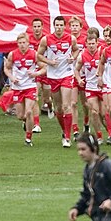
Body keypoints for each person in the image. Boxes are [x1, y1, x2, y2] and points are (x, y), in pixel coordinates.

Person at [37, 15, 78, 147]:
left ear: (64, 26)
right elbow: (38, 55)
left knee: (67, 105)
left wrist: (73, 58)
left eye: (61, 25)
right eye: (57, 25)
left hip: (67, 74)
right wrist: (49, 62)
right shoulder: (46, 39)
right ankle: (64, 130)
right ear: (54, 26)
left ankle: (67, 137)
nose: (59, 28)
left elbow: (76, 50)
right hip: (53, 76)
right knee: (59, 108)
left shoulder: (71, 38)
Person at [4, 32, 44, 146]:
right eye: (20, 43)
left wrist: (36, 73)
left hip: (30, 87)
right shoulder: (12, 55)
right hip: (17, 88)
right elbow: (7, 69)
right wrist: (11, 77)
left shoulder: (34, 54)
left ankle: (28, 138)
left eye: (24, 43)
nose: (22, 45)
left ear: (28, 43)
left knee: (29, 111)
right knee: (20, 116)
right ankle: (26, 123)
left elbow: (44, 68)